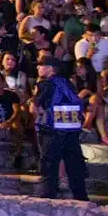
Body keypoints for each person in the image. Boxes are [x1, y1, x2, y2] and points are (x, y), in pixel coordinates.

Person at [32, 54, 88, 201]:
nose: (38, 67)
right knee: (74, 166)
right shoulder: (68, 83)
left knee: (50, 165)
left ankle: (48, 199)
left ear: (50, 69)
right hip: (71, 129)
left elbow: (35, 106)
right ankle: (82, 198)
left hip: (52, 131)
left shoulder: (45, 84)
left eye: (41, 65)